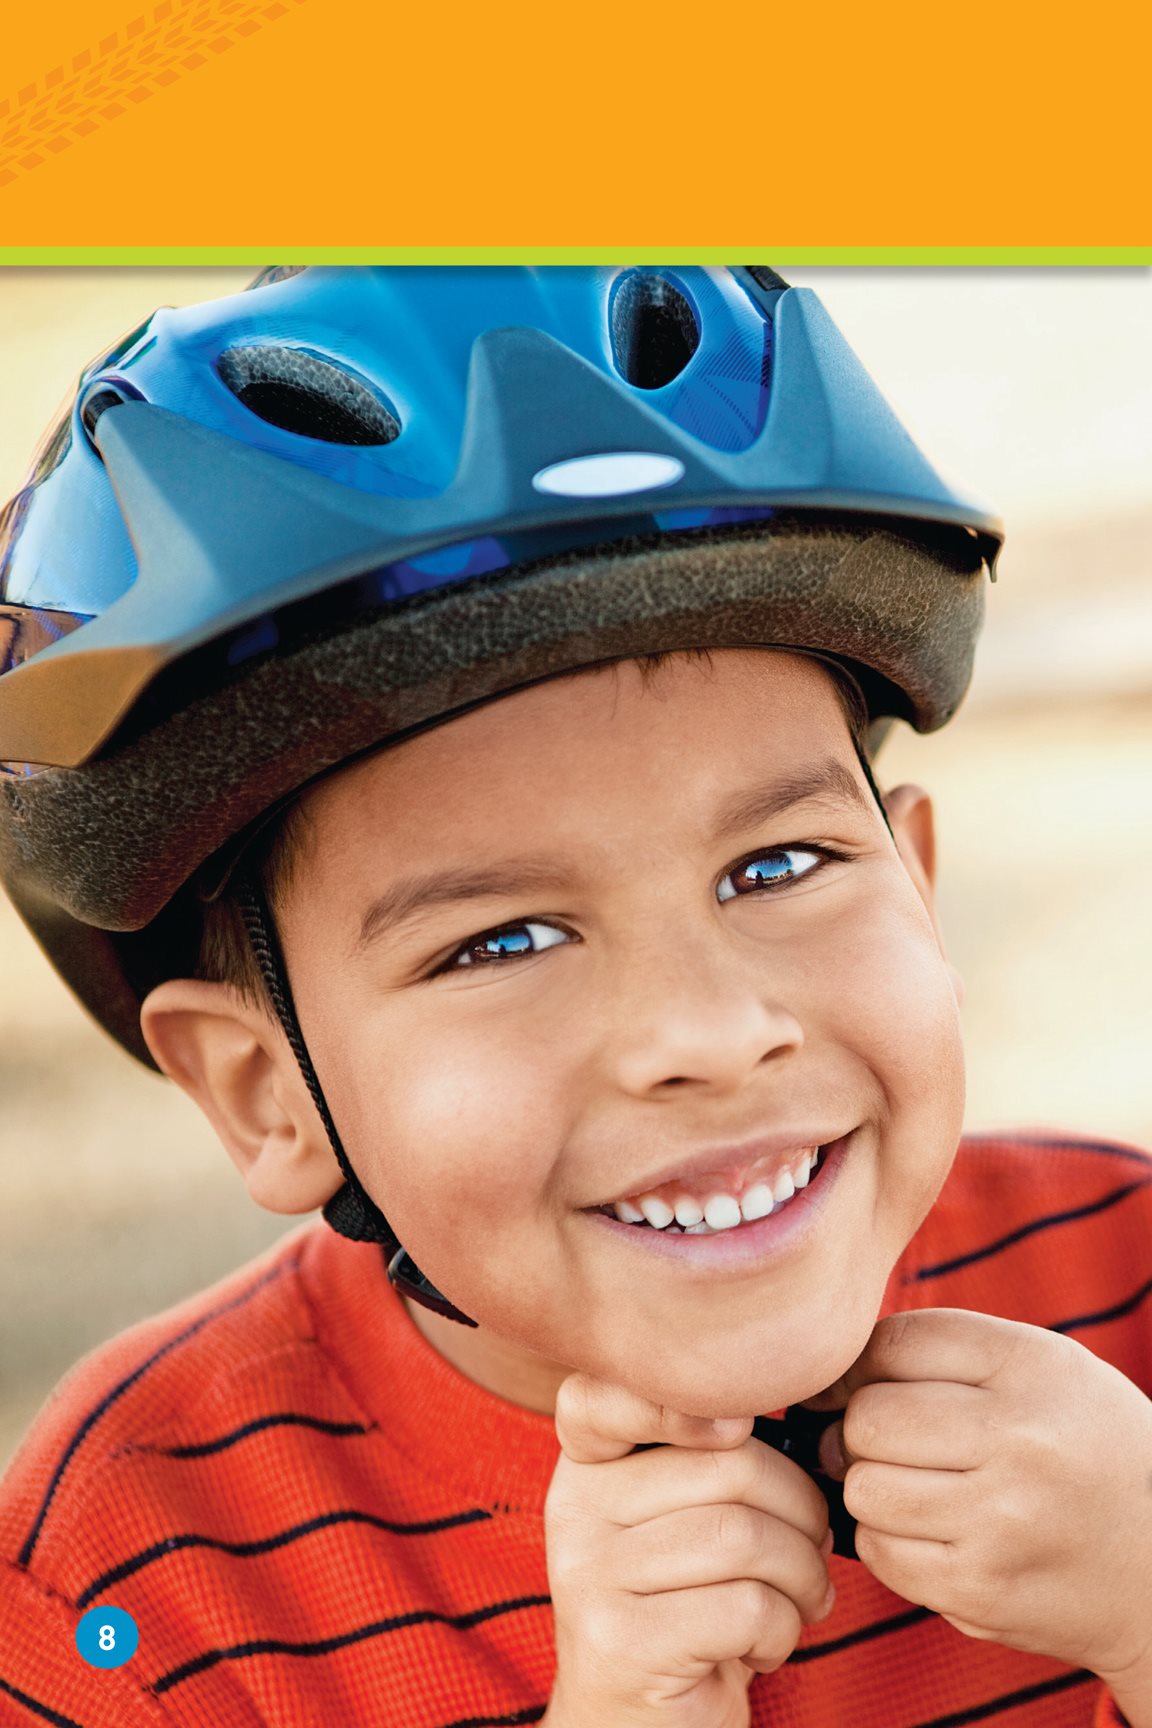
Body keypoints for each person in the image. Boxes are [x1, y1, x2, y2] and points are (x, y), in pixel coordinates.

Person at [0, 265, 1149, 1728]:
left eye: (779, 862)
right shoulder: (141, 1579)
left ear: (917, 886)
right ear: (265, 1093)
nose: (710, 1034)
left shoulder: (1128, 1275)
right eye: (503, 943)